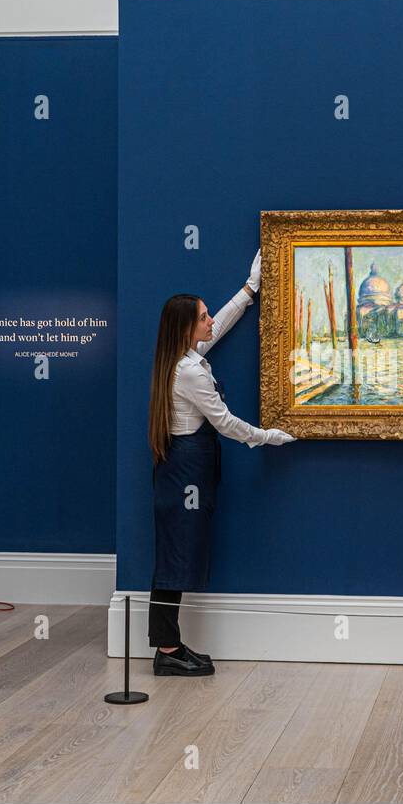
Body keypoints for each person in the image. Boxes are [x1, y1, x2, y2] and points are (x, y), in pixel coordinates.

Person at [146, 249, 294, 676]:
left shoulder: (182, 357)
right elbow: (225, 423)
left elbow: (221, 327)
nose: (210, 320)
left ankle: (169, 645)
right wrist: (268, 437)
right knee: (175, 559)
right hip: (186, 468)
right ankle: (168, 652)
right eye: (204, 316)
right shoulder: (190, 371)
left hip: (182, 466)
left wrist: (251, 289)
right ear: (187, 327)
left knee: (177, 555)